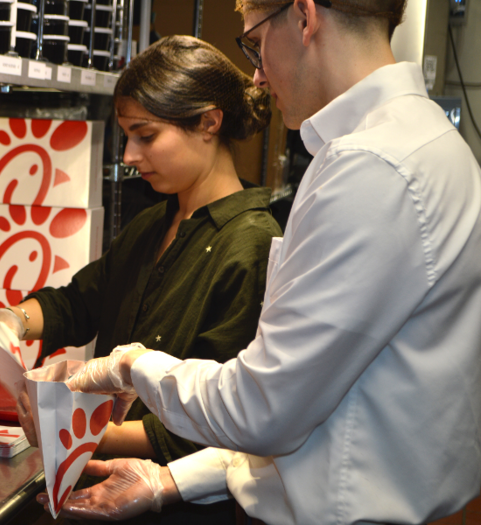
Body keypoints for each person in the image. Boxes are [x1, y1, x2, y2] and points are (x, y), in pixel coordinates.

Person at [45, 1, 481, 524]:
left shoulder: (371, 168)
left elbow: (264, 407)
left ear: (304, 16)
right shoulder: (425, 142)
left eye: (253, 42)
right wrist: (171, 478)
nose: (255, 73)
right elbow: (320, 408)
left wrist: (132, 366)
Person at [0, 35, 281, 523]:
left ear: (209, 122)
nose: (129, 154)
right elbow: (80, 304)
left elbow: (219, 419)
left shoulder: (250, 244)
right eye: (127, 136)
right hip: (101, 483)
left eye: (145, 136)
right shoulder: (152, 223)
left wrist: (79, 429)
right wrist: (12, 322)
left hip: (176, 503)